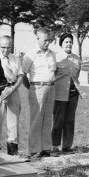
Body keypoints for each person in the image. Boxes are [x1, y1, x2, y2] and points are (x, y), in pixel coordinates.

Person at [22, 27, 56, 159]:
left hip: (51, 88)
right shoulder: (30, 55)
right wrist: (32, 88)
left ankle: (46, 148)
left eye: (49, 40)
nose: (47, 43)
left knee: (47, 119)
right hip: (37, 88)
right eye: (45, 40)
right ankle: (34, 150)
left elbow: (54, 72)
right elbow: (23, 75)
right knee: (36, 119)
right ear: (37, 38)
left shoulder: (52, 54)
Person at [51, 33, 81, 155]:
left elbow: (76, 76)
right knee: (58, 120)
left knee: (69, 120)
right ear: (61, 44)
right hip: (59, 93)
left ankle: (67, 146)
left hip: (73, 93)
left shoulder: (76, 58)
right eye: (66, 42)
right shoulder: (56, 58)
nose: (68, 44)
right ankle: (55, 146)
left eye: (70, 42)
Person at [0, 35, 24, 155]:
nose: (6, 50)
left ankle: (12, 151)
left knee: (13, 122)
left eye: (9, 47)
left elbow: (21, 75)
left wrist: (12, 89)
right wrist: (2, 90)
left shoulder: (15, 59)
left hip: (13, 89)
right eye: (3, 47)